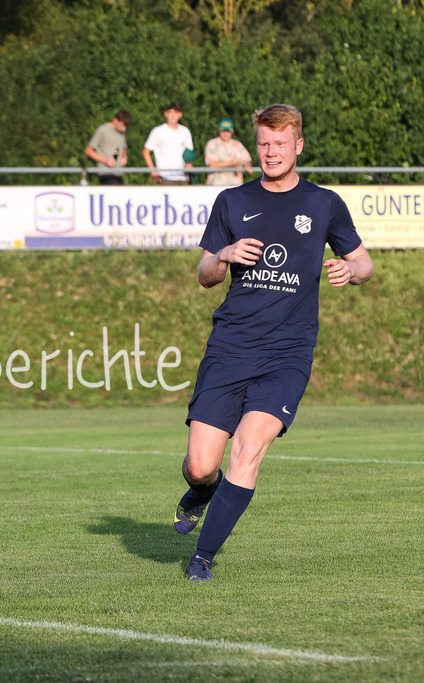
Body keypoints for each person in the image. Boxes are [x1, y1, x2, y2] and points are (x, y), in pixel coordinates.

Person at [173, 104, 374, 582]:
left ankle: (202, 558)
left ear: (298, 146)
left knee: (248, 448)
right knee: (202, 465)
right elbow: (205, 276)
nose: (271, 152)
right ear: (255, 144)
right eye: (263, 143)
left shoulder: (325, 203)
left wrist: (351, 270)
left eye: (280, 144)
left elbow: (364, 263)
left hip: (287, 354)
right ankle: (201, 492)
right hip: (230, 347)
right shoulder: (232, 201)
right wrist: (222, 254)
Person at [143, 103, 193, 185]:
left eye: (176, 112)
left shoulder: (185, 131)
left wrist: (189, 167)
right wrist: (153, 171)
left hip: (183, 177)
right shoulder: (158, 131)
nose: (173, 115)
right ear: (165, 114)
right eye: (170, 112)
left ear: (180, 115)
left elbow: (189, 153)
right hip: (165, 177)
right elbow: (146, 152)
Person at [85, 109, 131, 185]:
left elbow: (122, 148)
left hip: (118, 173)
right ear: (115, 120)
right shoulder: (102, 130)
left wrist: (125, 157)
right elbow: (88, 151)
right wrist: (106, 160)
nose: (124, 129)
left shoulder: (122, 133)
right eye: (122, 125)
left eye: (126, 126)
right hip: (105, 173)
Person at [204, 118, 253, 186]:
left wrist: (247, 165)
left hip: (235, 185)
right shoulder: (211, 144)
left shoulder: (238, 144)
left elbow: (247, 160)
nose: (225, 134)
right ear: (219, 131)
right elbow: (212, 164)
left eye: (228, 131)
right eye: (223, 131)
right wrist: (232, 163)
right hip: (216, 185)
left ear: (232, 132)